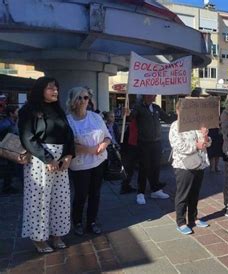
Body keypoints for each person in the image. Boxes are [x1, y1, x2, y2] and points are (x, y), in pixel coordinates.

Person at [18, 76, 75, 253]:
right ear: (40, 89)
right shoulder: (29, 110)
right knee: (39, 200)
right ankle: (39, 238)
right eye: (51, 88)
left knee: (61, 199)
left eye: (56, 88)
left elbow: (68, 134)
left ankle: (57, 234)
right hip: (40, 160)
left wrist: (69, 155)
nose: (55, 91)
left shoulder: (57, 109)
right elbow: (27, 136)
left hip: (61, 161)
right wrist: (47, 158)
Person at [66, 87, 111, 236]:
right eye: (79, 98)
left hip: (99, 162)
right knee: (80, 195)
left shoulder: (95, 117)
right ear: (72, 100)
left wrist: (103, 145)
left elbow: (107, 136)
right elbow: (71, 145)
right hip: (80, 165)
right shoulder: (68, 121)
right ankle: (77, 221)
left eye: (86, 98)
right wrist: (91, 150)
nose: (83, 101)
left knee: (95, 194)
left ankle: (91, 221)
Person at [169, 100, 211, 235]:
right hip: (183, 165)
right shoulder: (176, 126)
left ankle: (193, 218)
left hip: (199, 164)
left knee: (195, 194)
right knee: (183, 195)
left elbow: (207, 143)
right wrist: (195, 146)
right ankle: (181, 222)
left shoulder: (196, 125)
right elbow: (177, 145)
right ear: (178, 111)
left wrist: (205, 135)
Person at [127, 95, 172, 204]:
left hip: (156, 142)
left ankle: (155, 190)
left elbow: (167, 118)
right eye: (152, 94)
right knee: (144, 167)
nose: (155, 96)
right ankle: (140, 193)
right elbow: (130, 118)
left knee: (156, 166)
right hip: (143, 143)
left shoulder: (156, 108)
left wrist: (181, 114)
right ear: (146, 95)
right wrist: (127, 113)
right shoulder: (138, 107)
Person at [0, 105, 21, 193]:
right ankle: (6, 188)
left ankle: (8, 186)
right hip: (5, 149)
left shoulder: (12, 122)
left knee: (10, 168)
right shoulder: (5, 123)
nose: (18, 113)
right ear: (11, 113)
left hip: (10, 149)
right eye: (16, 111)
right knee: (7, 169)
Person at [120, 117, 140, 194]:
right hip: (130, 149)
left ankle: (125, 186)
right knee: (129, 169)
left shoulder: (133, 123)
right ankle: (124, 186)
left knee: (129, 169)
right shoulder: (135, 123)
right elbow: (132, 138)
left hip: (129, 148)